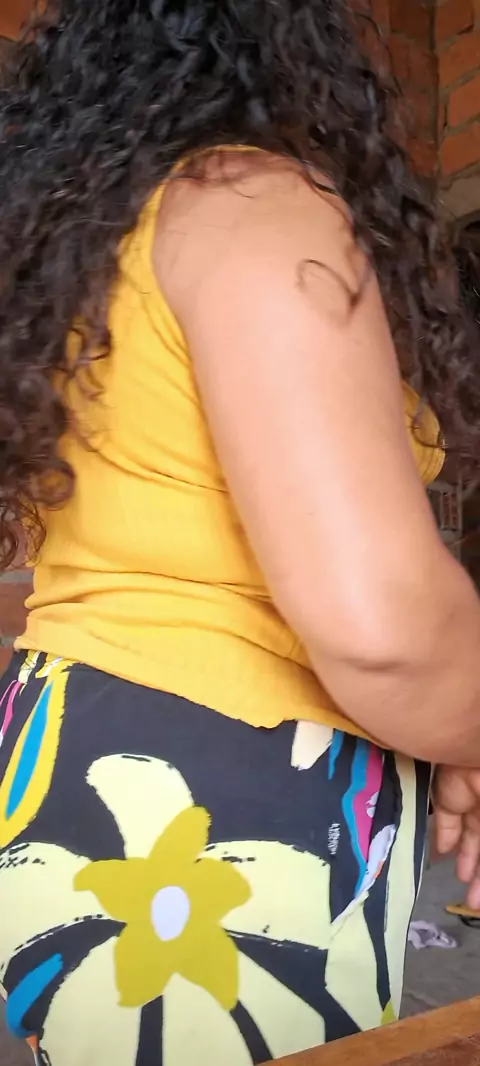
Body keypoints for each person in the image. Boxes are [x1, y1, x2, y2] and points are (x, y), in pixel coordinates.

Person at [0, 2, 480, 1064]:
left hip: (77, 756)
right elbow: (385, 629)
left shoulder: (97, 246)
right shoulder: (251, 204)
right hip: (214, 793)